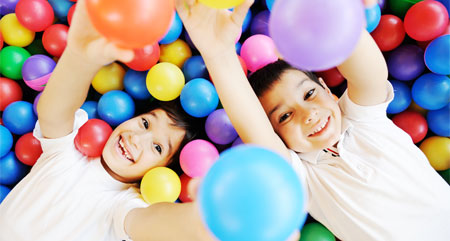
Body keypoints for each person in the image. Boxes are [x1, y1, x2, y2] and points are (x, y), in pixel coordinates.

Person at [176, 0, 450, 240]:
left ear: (328, 90)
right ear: (278, 138)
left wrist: (335, 10)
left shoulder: (365, 119)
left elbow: (370, 73)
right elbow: (252, 126)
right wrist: (219, 54)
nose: (308, 114)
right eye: (284, 116)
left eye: (309, 94)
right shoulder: (301, 178)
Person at [0, 0, 213, 240]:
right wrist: (79, 56)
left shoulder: (124, 205)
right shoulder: (71, 152)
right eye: (145, 123)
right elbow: (53, 112)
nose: (138, 138)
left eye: (157, 147)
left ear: (164, 172)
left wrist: (198, 221)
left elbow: (151, 224)